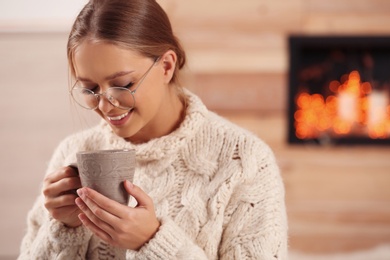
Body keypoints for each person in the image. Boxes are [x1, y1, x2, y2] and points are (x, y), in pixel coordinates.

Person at [18, 0, 288, 259]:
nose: (105, 105)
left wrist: (154, 242)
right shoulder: (74, 153)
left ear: (167, 66)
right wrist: (64, 228)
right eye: (90, 89)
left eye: (122, 84)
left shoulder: (244, 161)